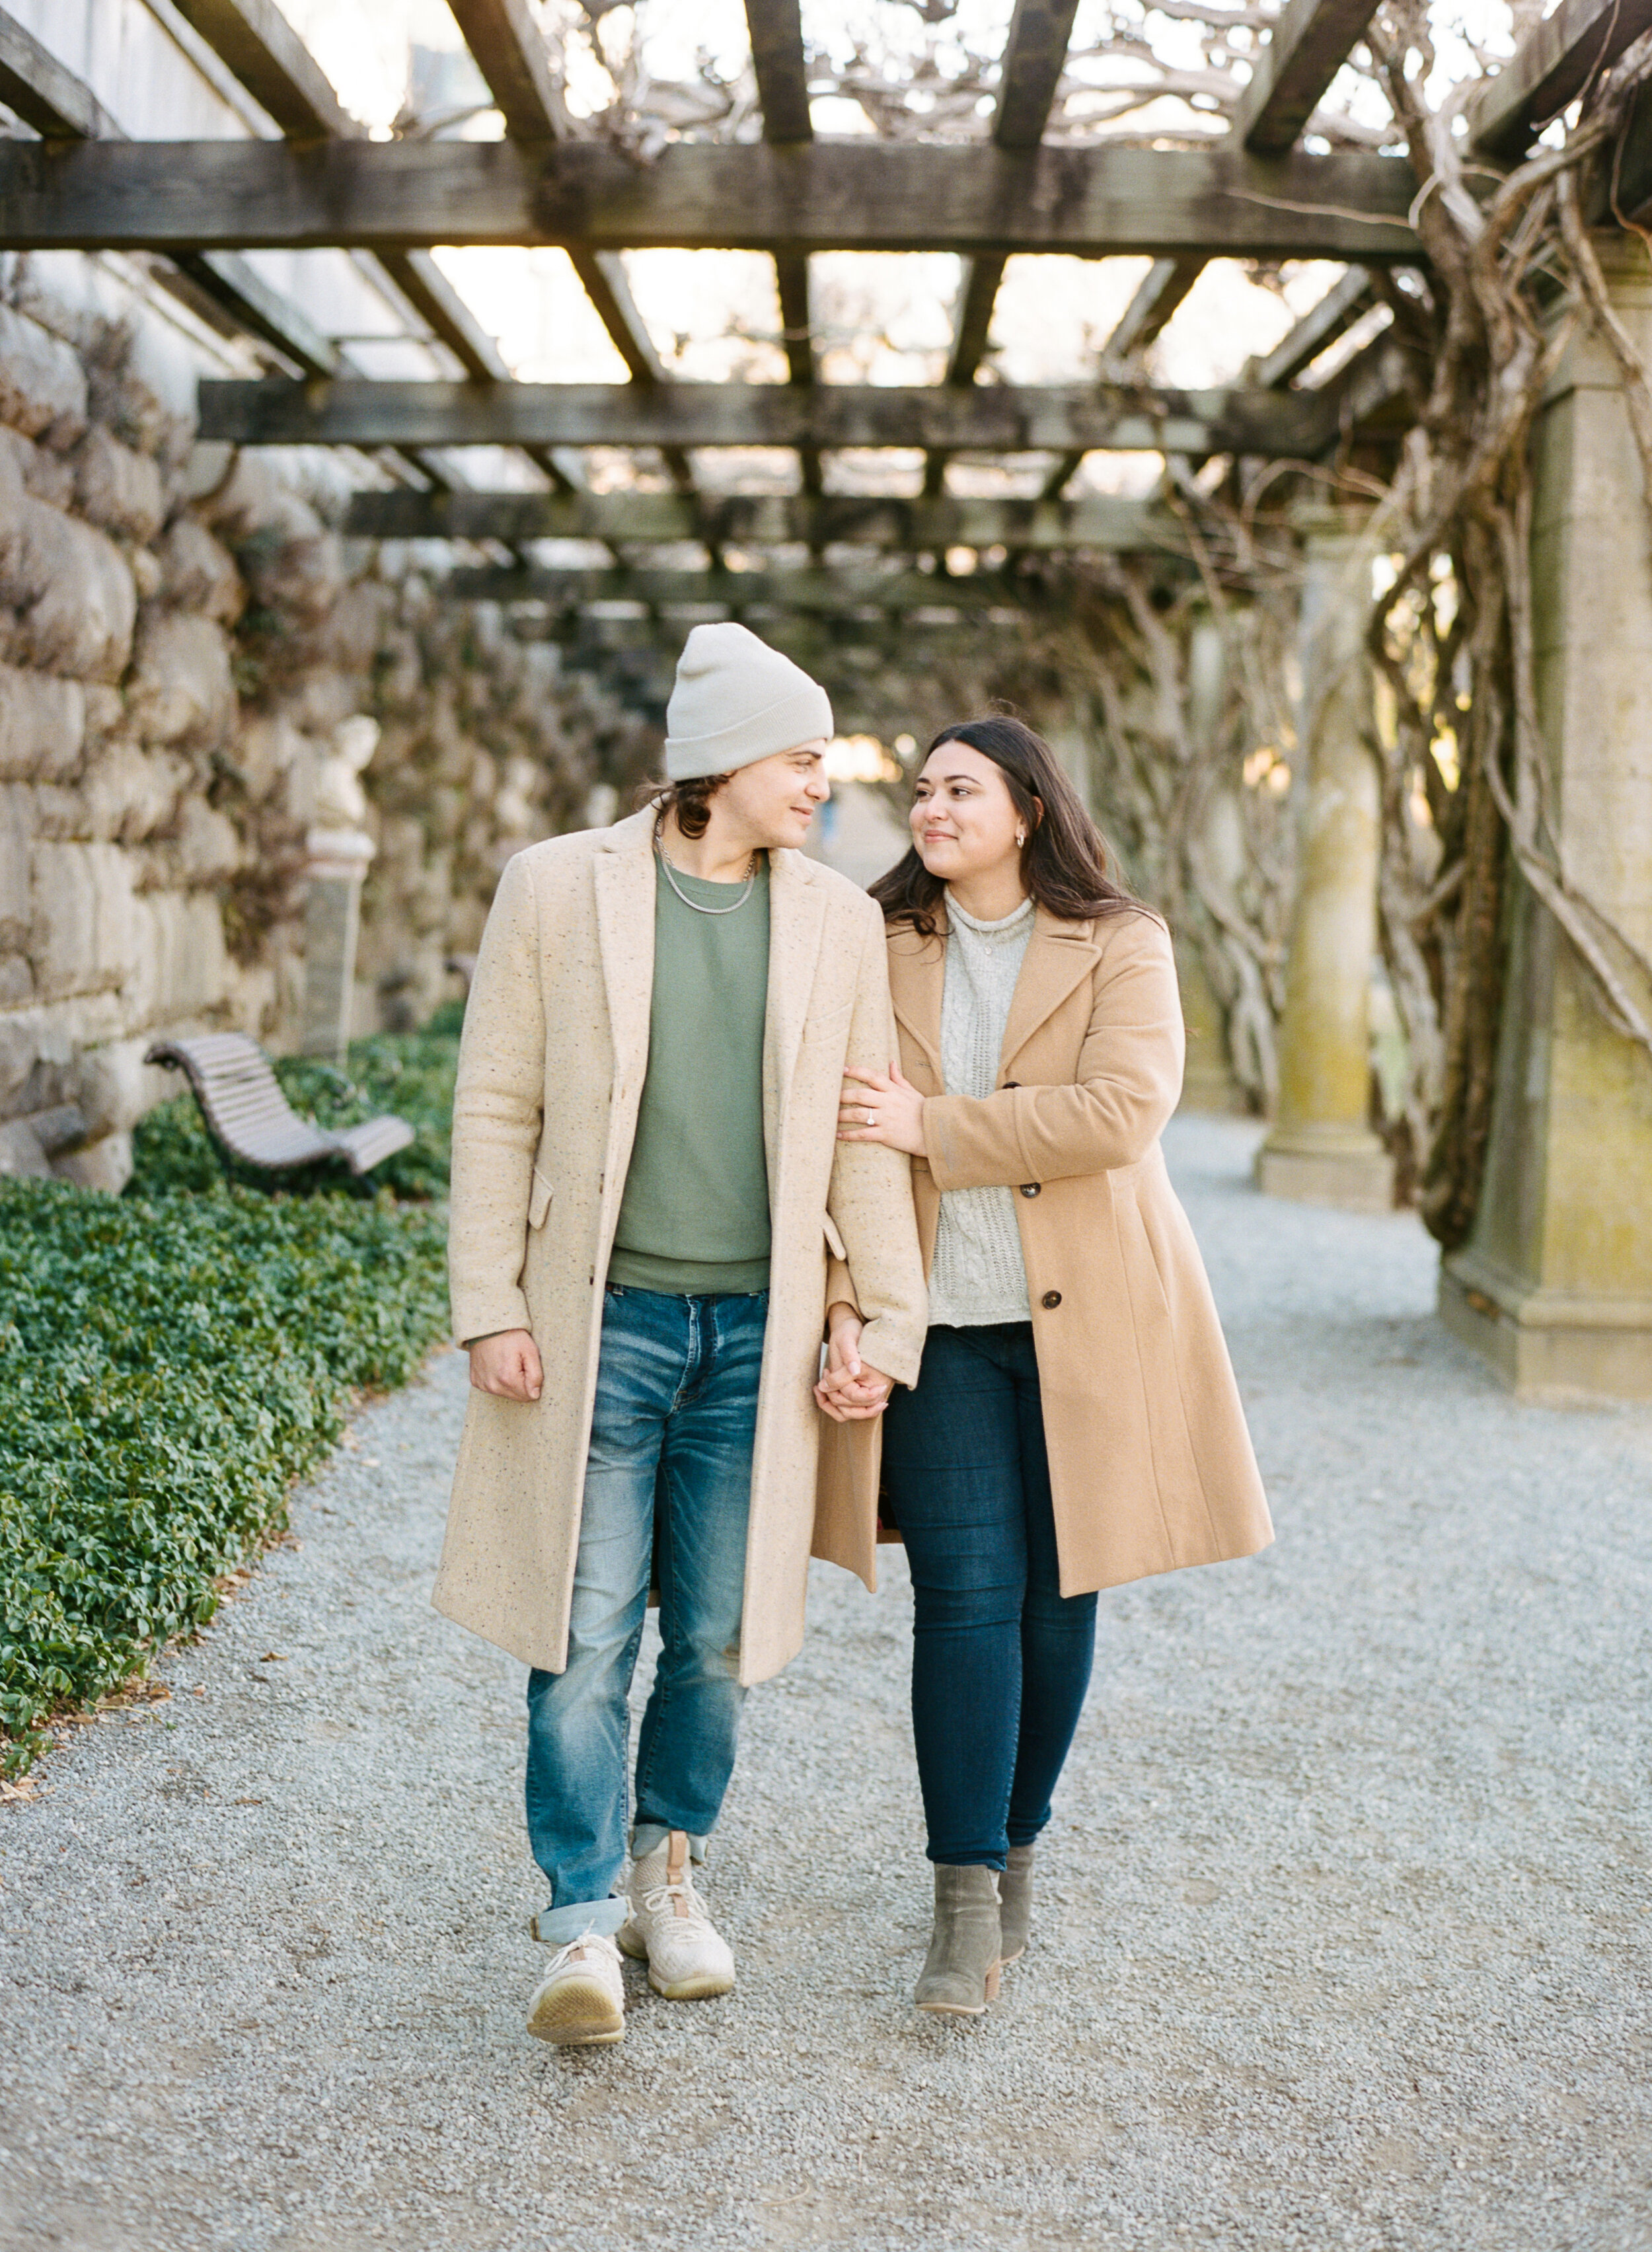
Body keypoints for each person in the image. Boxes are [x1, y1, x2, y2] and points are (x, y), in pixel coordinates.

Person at [435, 623, 926, 2048]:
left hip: (759, 1342)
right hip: (601, 1328)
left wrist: (876, 1321)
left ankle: (669, 1874)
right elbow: (494, 1104)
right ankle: (579, 1924)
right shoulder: (552, 886)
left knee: (713, 1637)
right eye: (799, 759)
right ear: (719, 767)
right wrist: (490, 1307)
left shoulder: (833, 917)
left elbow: (858, 1134)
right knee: (579, 1632)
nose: (820, 787)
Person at [817, 715, 1272, 2017]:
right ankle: (961, 1901)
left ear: (1026, 809)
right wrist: (848, 1299)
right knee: (963, 1595)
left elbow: (1122, 1111)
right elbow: (837, 1141)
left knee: (1061, 1598)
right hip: (940, 1326)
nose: (929, 806)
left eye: (957, 788)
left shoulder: (1122, 942)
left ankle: (1018, 1844)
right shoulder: (874, 941)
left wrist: (932, 1125)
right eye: (917, 789)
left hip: (1095, 1319)